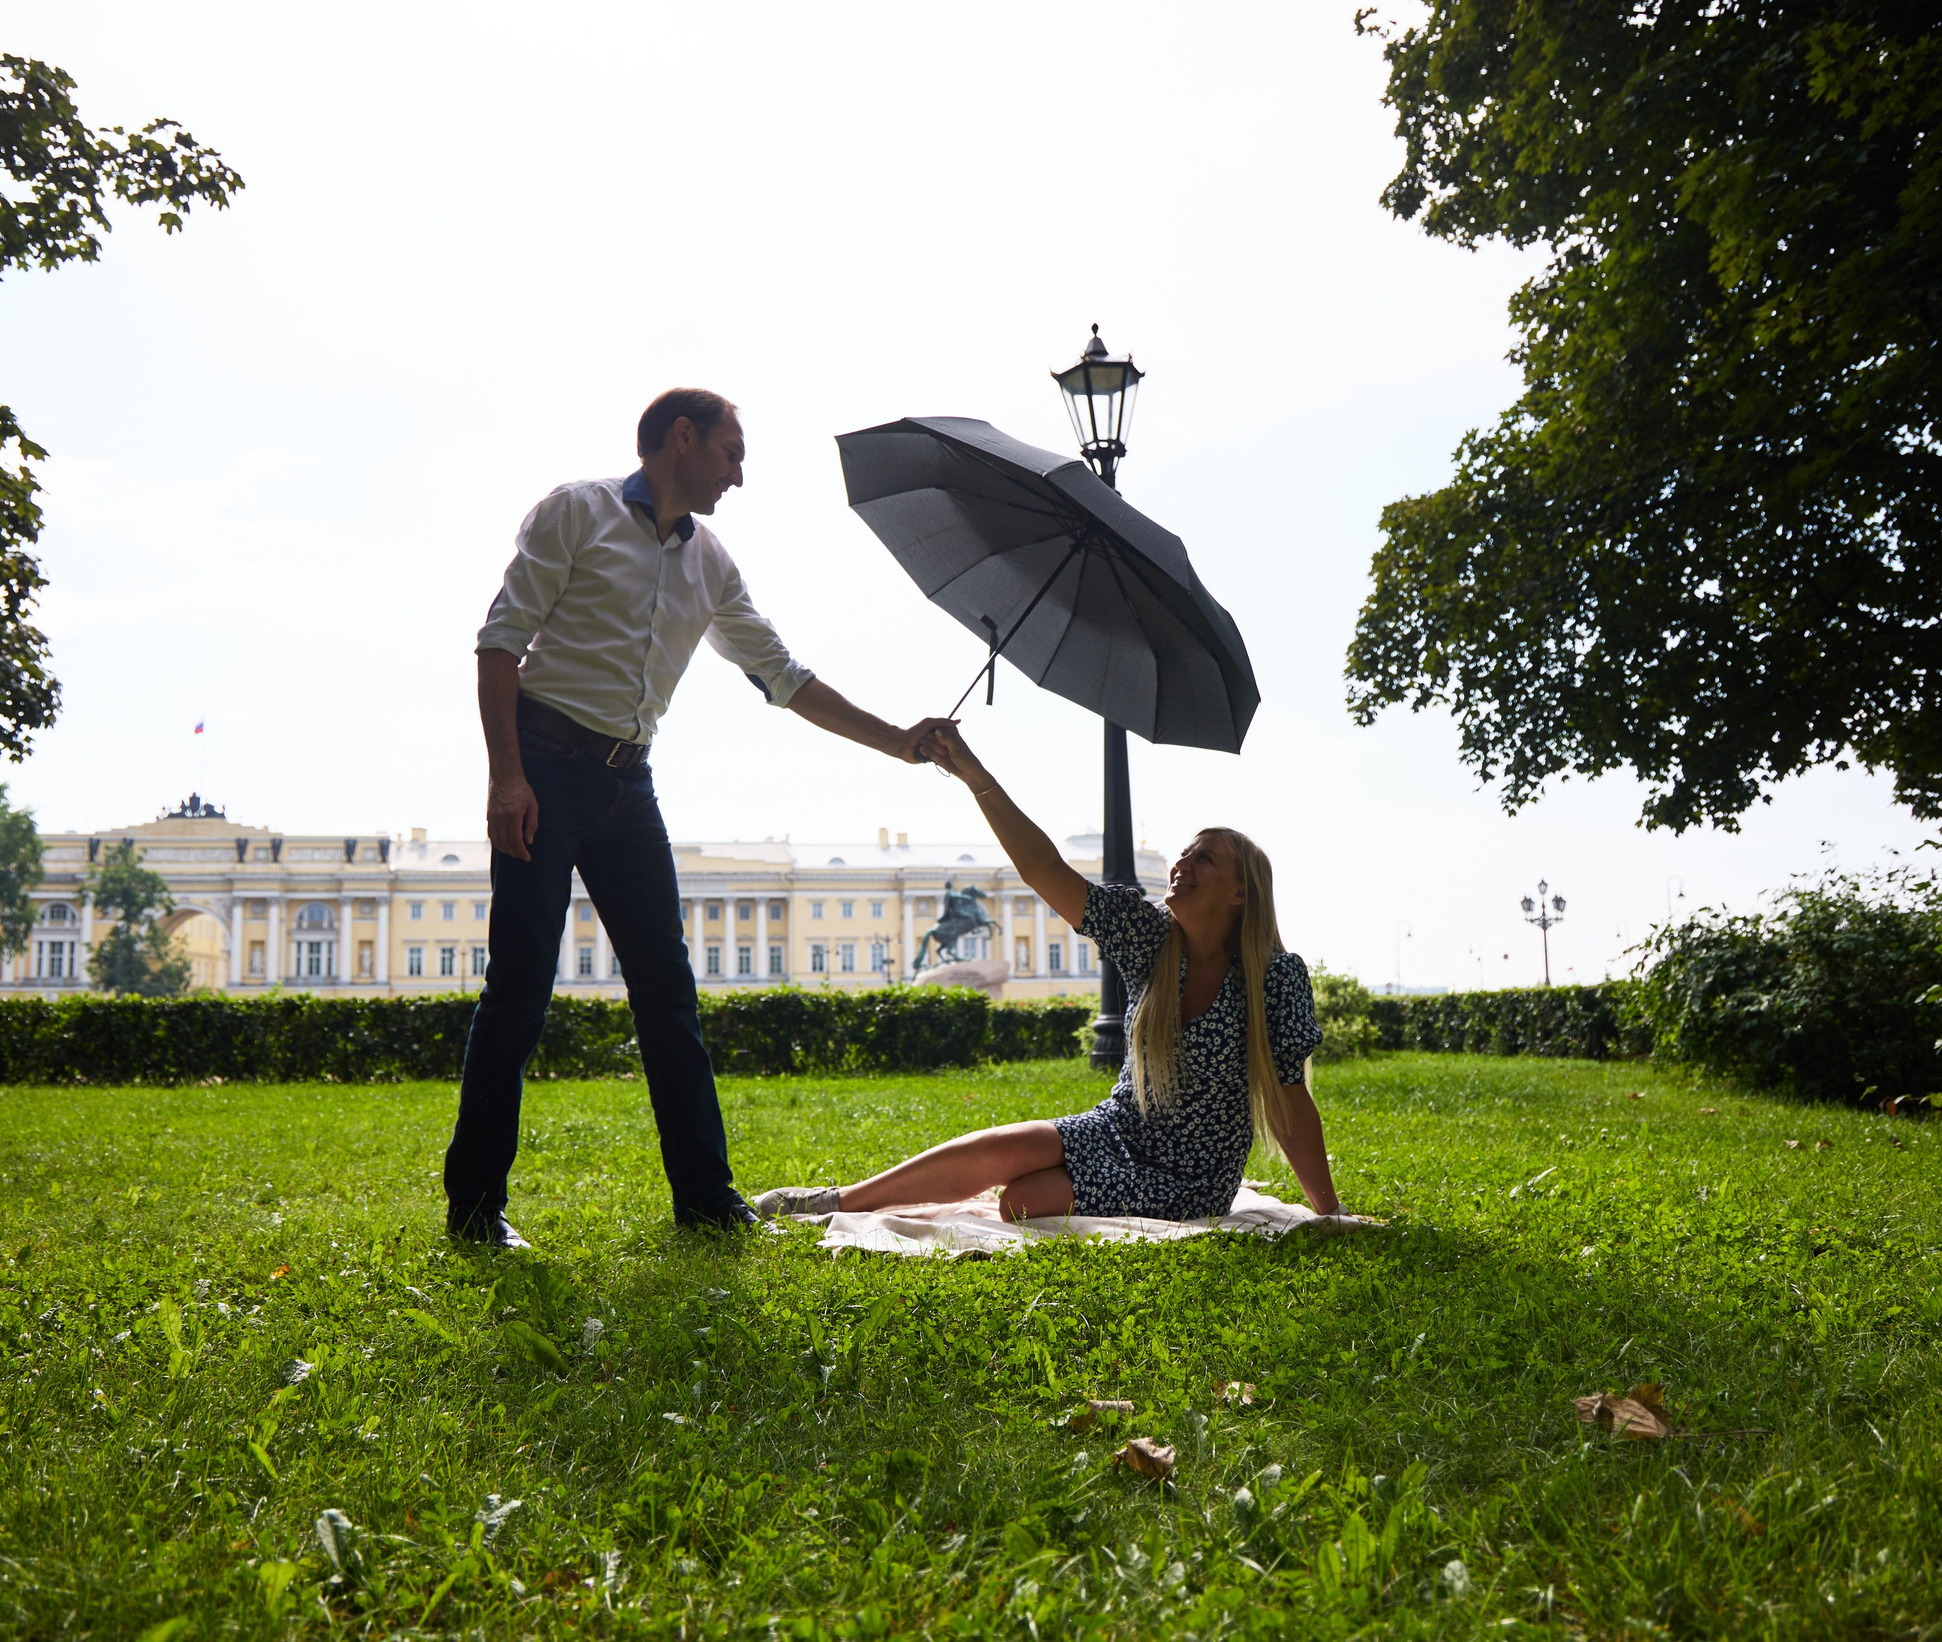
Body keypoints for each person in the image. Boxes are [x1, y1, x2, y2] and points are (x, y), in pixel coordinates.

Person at [448, 388, 944, 1247]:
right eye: (730, 452)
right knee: (520, 989)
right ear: (683, 437)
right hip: (545, 764)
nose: (738, 475)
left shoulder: (710, 561)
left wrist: (898, 741)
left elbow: (784, 677)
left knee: (669, 993)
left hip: (627, 785)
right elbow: (500, 643)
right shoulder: (577, 511)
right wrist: (507, 779)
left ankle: (708, 1200)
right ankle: (475, 1208)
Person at [756, 725, 1354, 1222]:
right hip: (1114, 1128)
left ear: (1240, 894)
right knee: (1003, 1147)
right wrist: (972, 774)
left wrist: (1328, 1213)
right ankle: (834, 1200)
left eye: (1205, 859)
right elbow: (1044, 869)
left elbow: (1291, 1104)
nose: (1182, 865)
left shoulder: (1275, 977)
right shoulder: (1149, 937)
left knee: (1019, 1201)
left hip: (1189, 1179)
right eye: (1183, 853)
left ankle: (883, 1198)